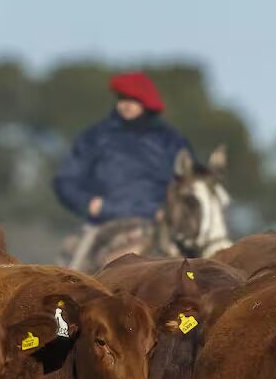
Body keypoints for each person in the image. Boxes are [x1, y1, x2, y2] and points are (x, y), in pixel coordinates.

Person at [54, 71, 195, 267]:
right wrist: (87, 203)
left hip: (158, 225)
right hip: (101, 226)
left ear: (147, 102)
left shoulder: (171, 142)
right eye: (122, 98)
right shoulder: (94, 137)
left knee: (196, 275)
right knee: (66, 281)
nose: (127, 104)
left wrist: (170, 212)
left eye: (134, 99)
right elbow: (66, 181)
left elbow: (190, 185)